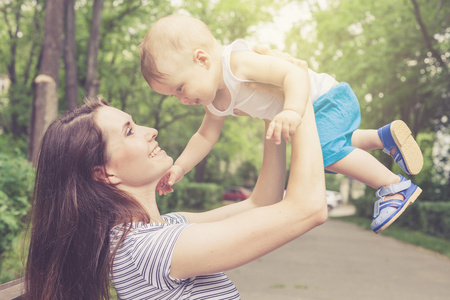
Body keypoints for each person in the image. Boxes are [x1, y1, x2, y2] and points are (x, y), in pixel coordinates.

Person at [139, 14, 424, 234]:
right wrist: (179, 167)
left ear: (201, 59)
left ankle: (393, 186)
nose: (182, 100)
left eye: (179, 88)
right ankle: (383, 137)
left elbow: (294, 74)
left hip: (326, 98)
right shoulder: (214, 101)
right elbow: (204, 136)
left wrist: (291, 110)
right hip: (316, 109)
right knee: (330, 150)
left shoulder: (236, 63)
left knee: (323, 152)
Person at [25, 95, 327, 299]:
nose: (151, 130)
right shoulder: (148, 249)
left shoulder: (163, 230)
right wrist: (299, 100)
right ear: (104, 174)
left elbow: (262, 203)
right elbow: (308, 208)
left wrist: (270, 114)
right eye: (129, 131)